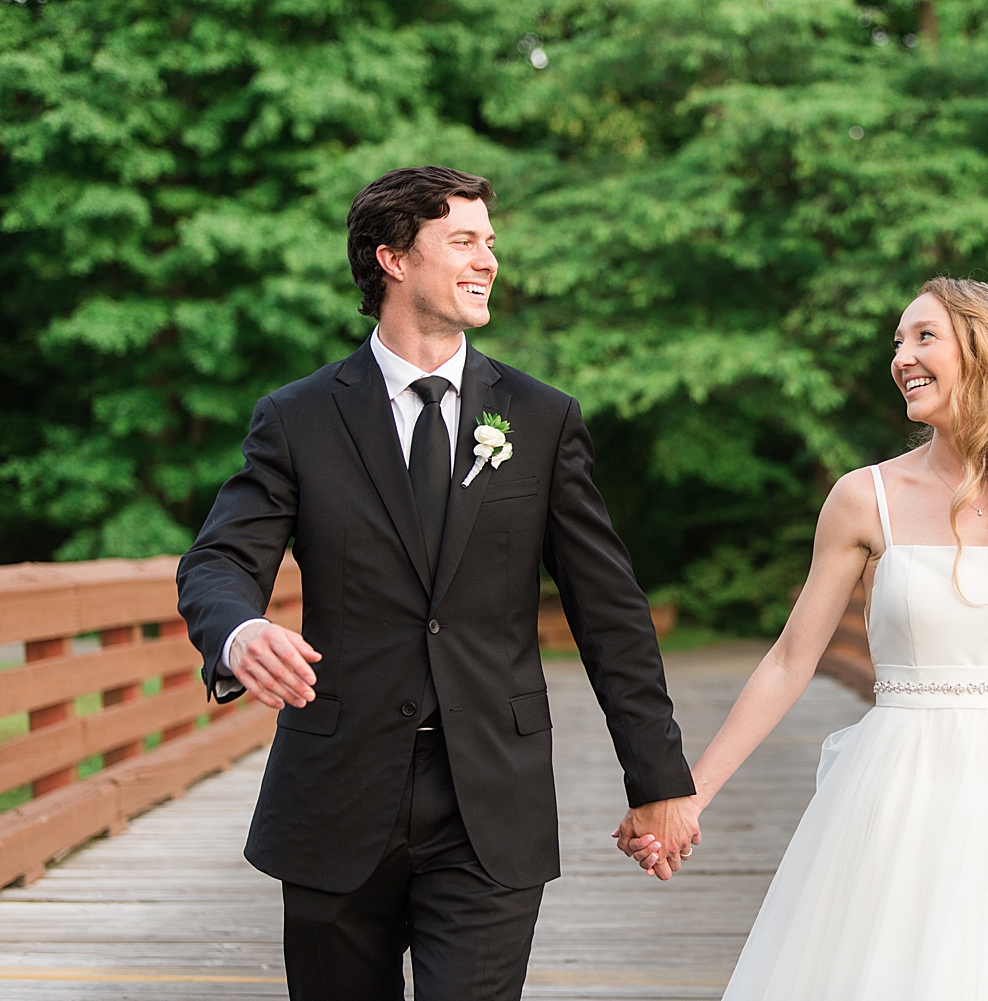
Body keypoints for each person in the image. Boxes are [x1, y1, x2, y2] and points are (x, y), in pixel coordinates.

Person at [176, 165, 700, 1001]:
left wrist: (661, 779)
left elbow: (610, 610)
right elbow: (219, 560)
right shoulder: (298, 417)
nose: (488, 258)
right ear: (392, 257)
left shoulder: (540, 417)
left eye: (490, 242)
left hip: (491, 798)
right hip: (336, 797)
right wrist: (240, 632)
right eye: (463, 240)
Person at [624, 277, 988, 998]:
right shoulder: (864, 497)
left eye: (924, 337)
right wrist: (690, 796)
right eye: (898, 341)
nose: (902, 357)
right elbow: (791, 661)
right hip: (900, 789)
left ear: (984, 353)